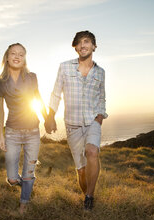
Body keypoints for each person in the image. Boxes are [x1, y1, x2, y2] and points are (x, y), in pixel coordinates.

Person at [45, 31, 107, 210]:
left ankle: (90, 197)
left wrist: (100, 116)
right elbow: (56, 93)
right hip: (72, 124)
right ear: (75, 47)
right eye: (79, 43)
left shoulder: (100, 72)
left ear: (94, 46)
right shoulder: (64, 67)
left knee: (92, 152)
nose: (82, 45)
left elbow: (102, 97)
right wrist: (50, 116)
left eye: (87, 42)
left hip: (93, 121)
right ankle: (86, 191)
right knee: (81, 170)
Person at [0, 43, 47, 214]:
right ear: (7, 57)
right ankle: (27, 184)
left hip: (32, 132)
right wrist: (0, 136)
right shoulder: (0, 83)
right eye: (13, 53)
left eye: (21, 54)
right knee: (11, 178)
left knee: (28, 172)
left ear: (24, 58)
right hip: (12, 133)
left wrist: (47, 119)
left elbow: (38, 99)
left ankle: (23, 206)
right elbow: (0, 110)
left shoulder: (32, 77)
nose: (17, 56)